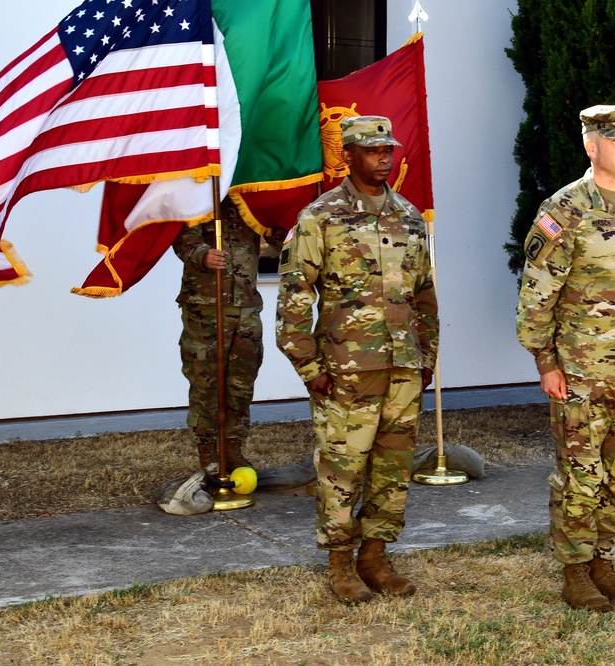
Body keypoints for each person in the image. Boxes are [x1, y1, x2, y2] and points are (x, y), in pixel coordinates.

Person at [276, 116, 439, 604]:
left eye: (388, 149)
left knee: (393, 467)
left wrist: (426, 356)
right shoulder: (320, 217)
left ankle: (375, 555)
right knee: (342, 468)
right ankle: (340, 563)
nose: (383, 157)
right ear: (347, 155)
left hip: (403, 366)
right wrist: (309, 366)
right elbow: (294, 296)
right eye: (372, 150)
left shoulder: (409, 217)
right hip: (346, 369)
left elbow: (425, 294)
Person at [516, 104, 615, 613]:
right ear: (591, 145)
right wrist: (545, 362)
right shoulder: (565, 211)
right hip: (582, 370)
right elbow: (537, 293)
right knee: (581, 475)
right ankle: (576, 572)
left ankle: (606, 563)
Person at [174, 198, 279, 473]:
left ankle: (233, 448)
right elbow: (179, 233)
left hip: (246, 306)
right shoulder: (199, 193)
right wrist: (202, 254)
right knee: (205, 381)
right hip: (205, 307)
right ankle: (207, 452)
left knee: (241, 383)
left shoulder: (254, 195)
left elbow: (279, 237)